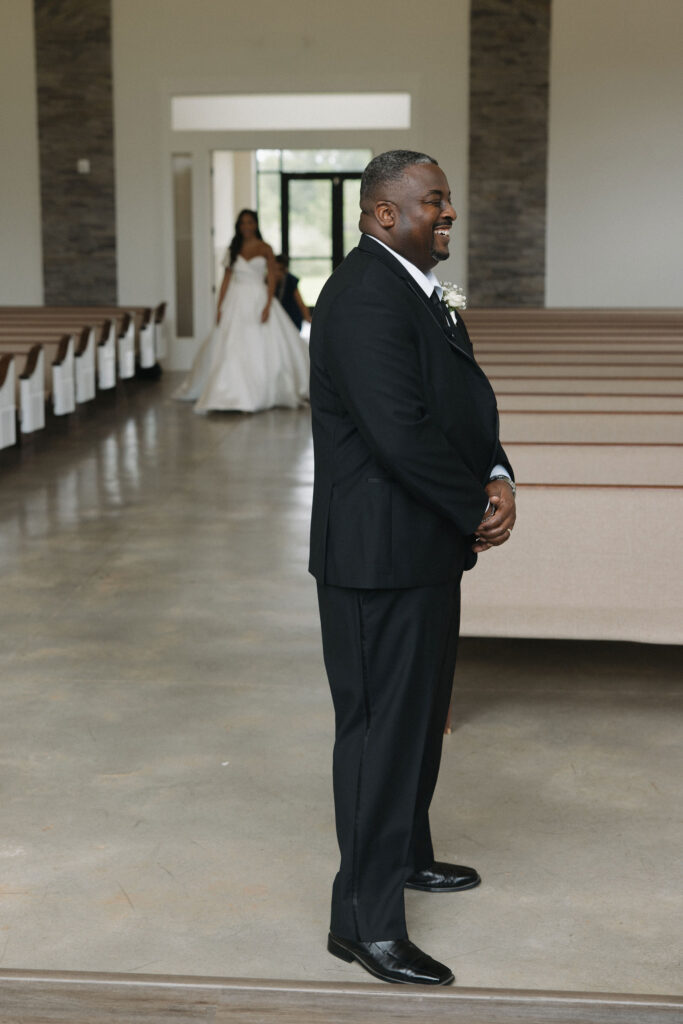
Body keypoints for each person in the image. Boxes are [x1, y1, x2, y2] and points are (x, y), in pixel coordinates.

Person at [308, 151, 516, 986]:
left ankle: (406, 854)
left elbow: (463, 392)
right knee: (377, 734)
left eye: (447, 202)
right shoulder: (361, 296)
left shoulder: (428, 289)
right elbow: (397, 429)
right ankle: (363, 922)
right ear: (382, 214)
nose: (447, 216)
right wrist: (471, 504)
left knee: (419, 717)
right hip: (377, 556)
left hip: (421, 546)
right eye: (433, 203)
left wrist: (497, 469)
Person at [175, 209, 309, 413]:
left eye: (250, 222)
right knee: (231, 344)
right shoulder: (234, 248)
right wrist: (219, 307)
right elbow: (226, 280)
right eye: (242, 223)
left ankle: (261, 390)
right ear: (238, 226)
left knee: (259, 343)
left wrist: (267, 305)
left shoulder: (265, 248)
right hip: (235, 301)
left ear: (255, 224)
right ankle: (228, 392)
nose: (246, 227)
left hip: (258, 298)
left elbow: (272, 277)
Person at [274, 255, 312, 332]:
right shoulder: (267, 281)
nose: (277, 273)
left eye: (279, 269)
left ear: (285, 270)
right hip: (278, 318)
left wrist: (307, 317)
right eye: (274, 269)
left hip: (292, 317)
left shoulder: (290, 281)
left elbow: (300, 302)